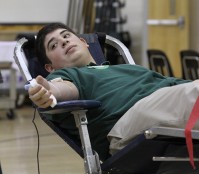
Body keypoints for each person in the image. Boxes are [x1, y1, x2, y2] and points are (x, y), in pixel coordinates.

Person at [28, 22, 199, 161]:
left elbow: (180, 87)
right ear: (50, 68)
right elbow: (62, 88)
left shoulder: (130, 69)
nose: (63, 42)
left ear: (83, 42)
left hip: (167, 106)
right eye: (54, 45)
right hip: (128, 127)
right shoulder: (67, 75)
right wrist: (48, 92)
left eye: (66, 36)